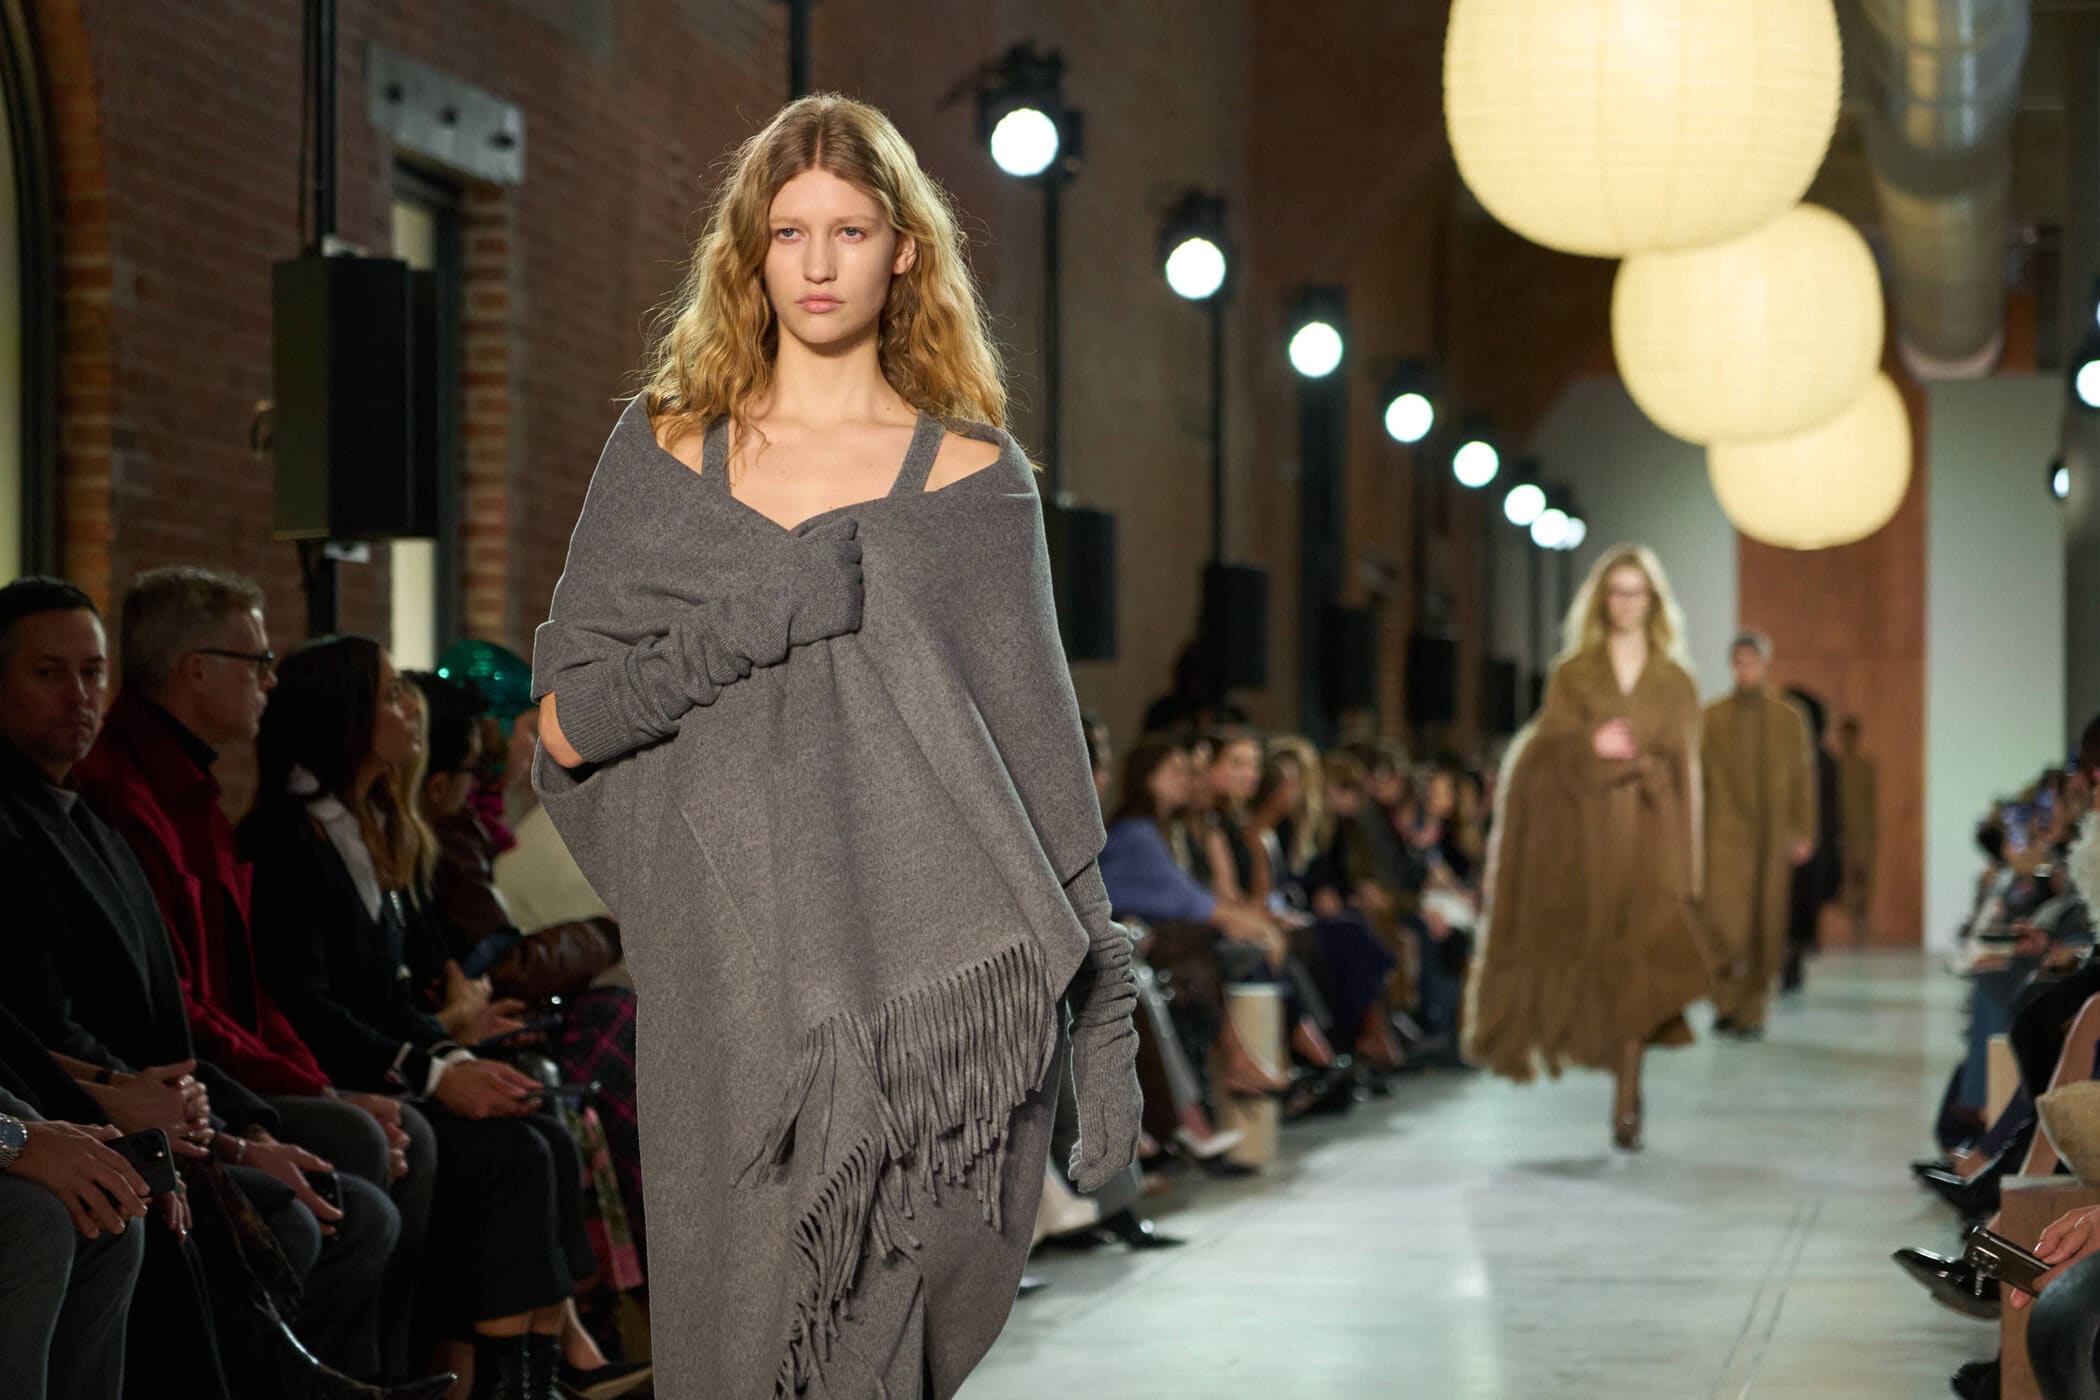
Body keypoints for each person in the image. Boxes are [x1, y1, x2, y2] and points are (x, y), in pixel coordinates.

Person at [530, 94, 1140, 1399]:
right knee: (741, 1344)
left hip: (930, 1005)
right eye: (789, 231)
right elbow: (567, 726)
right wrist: (755, 618)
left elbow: (1040, 759)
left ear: (904, 251)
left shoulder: (974, 484)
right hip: (726, 987)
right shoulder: (660, 458)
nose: (817, 264)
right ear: (749, 252)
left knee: (881, 1351)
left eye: (850, 231)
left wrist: (1105, 1026)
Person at [243, 635, 596, 1400]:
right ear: (343, 717)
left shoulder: (371, 823)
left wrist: (454, 1056)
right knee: (510, 1152)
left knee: (539, 1127)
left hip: (387, 1060)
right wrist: (436, 1069)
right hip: (334, 1075)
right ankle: (489, 1380)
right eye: (389, 695)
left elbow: (400, 995)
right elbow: (306, 1004)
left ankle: (530, 1375)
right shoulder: (289, 837)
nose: (411, 709)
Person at [1465, 545, 1709, 1151]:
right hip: (1587, 840)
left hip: (1652, 837)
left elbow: (1688, 777)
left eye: (1637, 593)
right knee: (1598, 966)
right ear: (1602, 600)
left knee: (1638, 968)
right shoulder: (1573, 675)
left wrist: (1690, 870)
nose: (1626, 604)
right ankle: (1621, 1082)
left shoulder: (1677, 682)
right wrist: (1588, 745)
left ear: (1653, 602)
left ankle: (1628, 1093)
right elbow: (1540, 758)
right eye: (1616, 592)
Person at [1698, 633, 1813, 1038]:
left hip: (1772, 835)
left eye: (1753, 661)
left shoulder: (1788, 717)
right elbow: (1698, 781)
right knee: (1724, 928)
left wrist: (1803, 831)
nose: (1746, 669)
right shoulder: (1711, 717)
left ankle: (1751, 1011)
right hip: (1723, 837)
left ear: (1765, 664)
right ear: (1732, 665)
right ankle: (1725, 1002)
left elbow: (1802, 777)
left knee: (1765, 926)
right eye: (1740, 661)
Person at [1836, 715, 1878, 944]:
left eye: (1852, 735)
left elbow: (1870, 804)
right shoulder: (1835, 766)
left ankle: (1861, 934)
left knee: (1863, 881)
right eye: (1845, 736)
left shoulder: (1865, 767)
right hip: (1841, 834)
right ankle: (1846, 934)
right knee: (1844, 885)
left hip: (1863, 834)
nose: (1848, 740)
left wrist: (1869, 836)